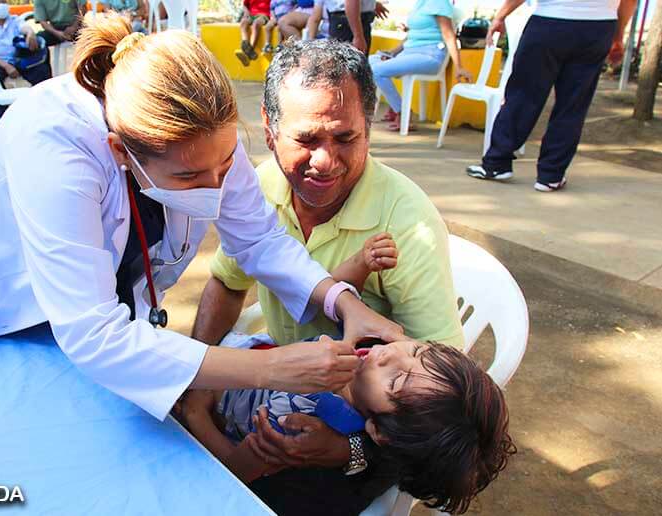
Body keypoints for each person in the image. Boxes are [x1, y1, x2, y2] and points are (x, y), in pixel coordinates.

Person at [0, 15, 404, 424]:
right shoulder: (54, 145)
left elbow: (260, 240)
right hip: (1, 306)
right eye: (190, 177)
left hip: (93, 315)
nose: (215, 186)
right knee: (18, 417)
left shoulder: (206, 137)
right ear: (121, 152)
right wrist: (268, 368)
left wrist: (342, 302)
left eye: (225, 165)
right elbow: (94, 333)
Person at [192, 38, 464, 513]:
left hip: (362, 440)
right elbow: (227, 284)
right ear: (270, 129)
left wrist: (348, 450)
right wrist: (196, 378)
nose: (326, 161)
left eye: (345, 138)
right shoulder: (260, 187)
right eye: (306, 140)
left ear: (369, 129)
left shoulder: (408, 225)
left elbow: (438, 398)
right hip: (271, 384)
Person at [175, 339, 516, 515]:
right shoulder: (380, 385)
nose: (389, 353)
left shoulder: (299, 430)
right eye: (416, 350)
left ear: (379, 433)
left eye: (396, 381)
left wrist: (196, 416)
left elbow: (232, 475)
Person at [466, 0, 637, 191]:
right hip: (598, 27)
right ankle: (551, 175)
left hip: (549, 21)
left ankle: (497, 163)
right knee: (573, 104)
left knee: (523, 94)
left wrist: (501, 16)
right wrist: (618, 34)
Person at [368, 0, 472, 132]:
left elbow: (448, 35)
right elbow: (412, 35)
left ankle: (402, 112)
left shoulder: (439, 2)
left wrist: (458, 66)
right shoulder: (421, 3)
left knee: (377, 70)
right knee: (369, 61)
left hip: (429, 55)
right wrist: (392, 53)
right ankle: (396, 107)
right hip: (409, 53)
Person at [0, 0, 53, 115]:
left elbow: (24, 27)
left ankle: (45, 107)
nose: (2, 5)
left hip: (18, 59)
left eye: (3, 1)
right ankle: (3, 115)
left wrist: (30, 33)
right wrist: (6, 66)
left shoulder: (14, 20)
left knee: (41, 67)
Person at [234, 0, 271, 66]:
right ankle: (246, 46)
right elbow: (245, 5)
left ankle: (249, 50)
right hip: (252, 15)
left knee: (256, 24)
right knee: (243, 22)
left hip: (264, 14)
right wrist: (246, 12)